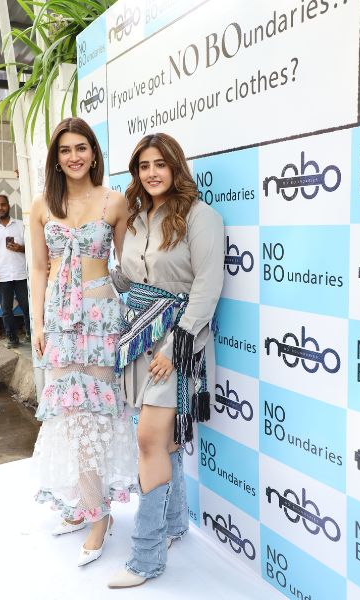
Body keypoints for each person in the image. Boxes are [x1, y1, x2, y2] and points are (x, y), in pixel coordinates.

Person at [108, 133, 225, 588]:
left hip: (178, 346)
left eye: (160, 163)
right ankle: (175, 525)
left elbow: (207, 288)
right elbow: (130, 279)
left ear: (176, 167)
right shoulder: (136, 217)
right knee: (165, 443)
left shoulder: (200, 216)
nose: (152, 172)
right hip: (138, 340)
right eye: (144, 165)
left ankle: (146, 558)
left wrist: (176, 347)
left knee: (148, 440)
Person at [29, 117, 138, 567]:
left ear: (94, 153)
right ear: (56, 159)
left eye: (81, 148)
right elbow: (39, 268)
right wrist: (38, 323)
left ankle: (99, 515)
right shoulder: (41, 206)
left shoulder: (115, 202)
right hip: (59, 320)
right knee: (71, 417)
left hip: (100, 318)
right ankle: (87, 503)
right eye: (65, 150)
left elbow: (129, 266)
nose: (73, 156)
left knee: (95, 417)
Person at [0, 194, 30, 348]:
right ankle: (12, 339)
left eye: (3, 204)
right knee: (6, 309)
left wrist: (20, 248)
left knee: (27, 306)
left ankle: (31, 335)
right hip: (1, 275)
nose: (0, 208)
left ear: (8, 206)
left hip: (21, 273)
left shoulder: (21, 225)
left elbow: (31, 248)